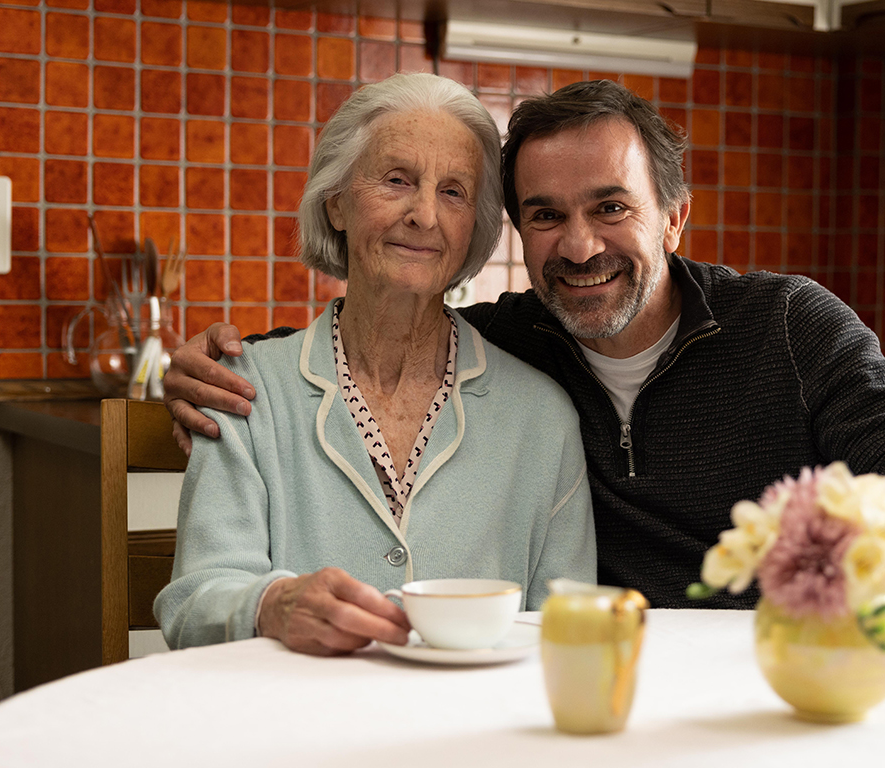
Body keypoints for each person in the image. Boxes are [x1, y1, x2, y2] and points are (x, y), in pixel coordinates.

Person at [164, 79, 885, 662]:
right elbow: (376, 314)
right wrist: (222, 364)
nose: (578, 244)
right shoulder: (520, 340)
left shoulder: (785, 328)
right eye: (545, 215)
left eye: (610, 206)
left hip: (773, 693)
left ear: (674, 216)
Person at [154, 73, 596, 656]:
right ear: (337, 201)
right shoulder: (245, 390)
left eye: (454, 192)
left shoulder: (541, 417)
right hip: (294, 726)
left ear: (474, 231)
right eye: (397, 180)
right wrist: (271, 604)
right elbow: (194, 600)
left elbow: (567, 628)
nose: (424, 215)